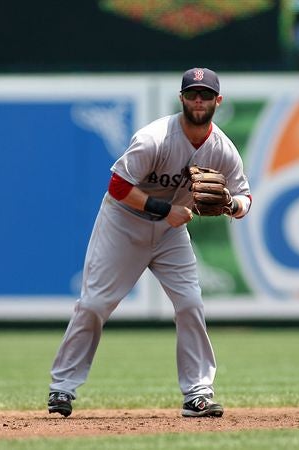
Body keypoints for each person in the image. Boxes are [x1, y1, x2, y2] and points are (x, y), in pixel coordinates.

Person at [47, 68, 252, 418]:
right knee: (95, 304)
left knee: (190, 303)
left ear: (218, 101)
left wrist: (231, 205)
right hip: (124, 225)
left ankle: (198, 393)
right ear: (181, 98)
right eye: (192, 94)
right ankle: (62, 388)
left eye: (205, 94)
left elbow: (245, 197)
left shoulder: (223, 150)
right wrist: (165, 209)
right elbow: (118, 187)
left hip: (171, 234)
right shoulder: (154, 138)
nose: (198, 100)